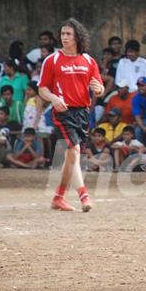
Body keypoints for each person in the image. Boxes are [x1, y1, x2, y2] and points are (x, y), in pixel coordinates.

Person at [39, 17, 104, 212]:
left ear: (77, 36)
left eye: (69, 34)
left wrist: (99, 88)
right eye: (62, 34)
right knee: (74, 151)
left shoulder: (88, 60)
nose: (64, 37)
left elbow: (99, 88)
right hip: (63, 111)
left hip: (83, 113)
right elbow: (42, 89)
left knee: (73, 156)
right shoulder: (52, 60)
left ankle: (58, 197)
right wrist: (53, 99)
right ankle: (84, 196)